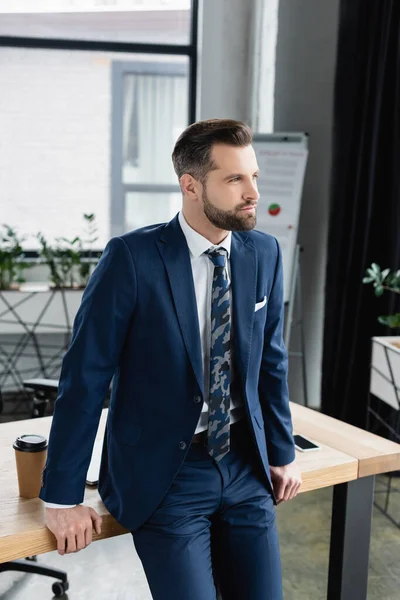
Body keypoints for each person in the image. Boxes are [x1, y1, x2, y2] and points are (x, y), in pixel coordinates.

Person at [40, 118, 302, 599]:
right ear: (191, 186)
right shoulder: (132, 259)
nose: (252, 193)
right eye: (234, 179)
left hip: (246, 466)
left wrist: (282, 453)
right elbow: (85, 379)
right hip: (167, 473)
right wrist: (63, 496)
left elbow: (272, 363)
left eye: (255, 177)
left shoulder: (264, 252)